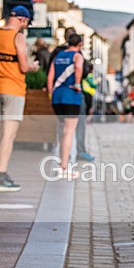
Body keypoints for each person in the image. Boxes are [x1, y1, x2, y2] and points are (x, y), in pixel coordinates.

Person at [0, 5, 38, 192]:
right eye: (26, 22)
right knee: (9, 135)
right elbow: (23, 67)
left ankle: (2, 173)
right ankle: (1, 176)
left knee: (4, 133)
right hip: (13, 89)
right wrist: (33, 66)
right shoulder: (18, 37)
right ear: (22, 20)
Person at [48, 34, 85, 178]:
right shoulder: (77, 56)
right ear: (80, 44)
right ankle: (64, 166)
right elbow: (78, 67)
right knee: (69, 132)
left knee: (62, 130)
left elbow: (50, 76)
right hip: (71, 96)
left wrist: (51, 93)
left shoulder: (58, 56)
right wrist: (77, 84)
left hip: (57, 96)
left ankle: (60, 163)